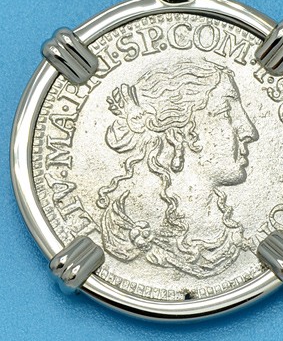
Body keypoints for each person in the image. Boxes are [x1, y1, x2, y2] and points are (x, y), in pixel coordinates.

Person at [96, 59, 258, 278]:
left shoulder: (231, 233)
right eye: (226, 112)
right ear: (178, 136)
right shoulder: (125, 232)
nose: (250, 131)